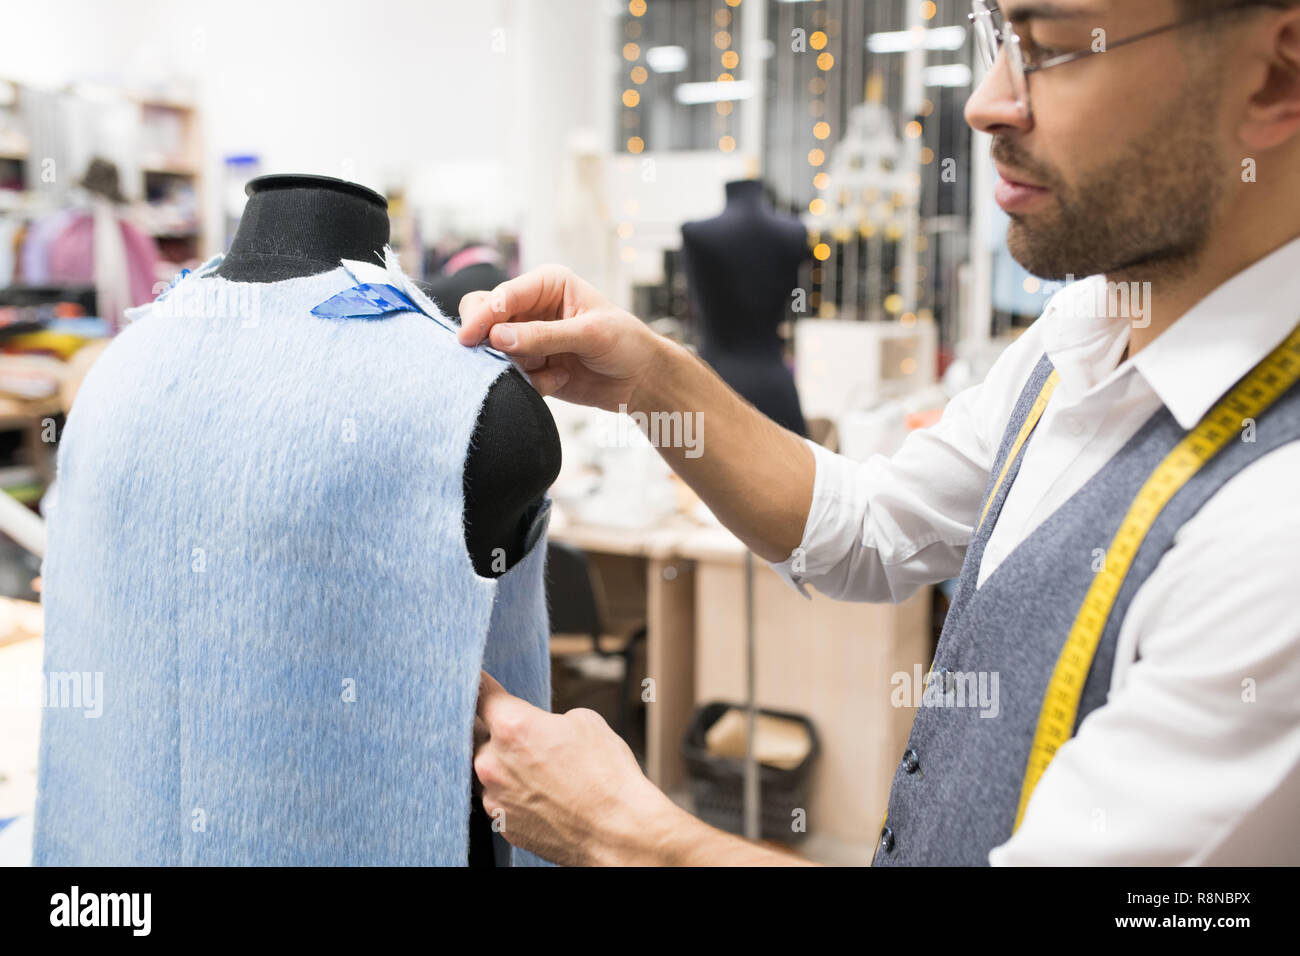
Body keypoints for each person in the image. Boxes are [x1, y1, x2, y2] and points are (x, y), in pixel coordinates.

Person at [462, 0, 1300, 866]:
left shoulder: (1276, 528)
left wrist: (623, 833)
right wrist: (648, 376)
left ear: (1273, 75)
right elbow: (869, 528)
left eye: (1049, 49)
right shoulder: (1084, 330)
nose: (985, 102)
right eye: (997, 39)